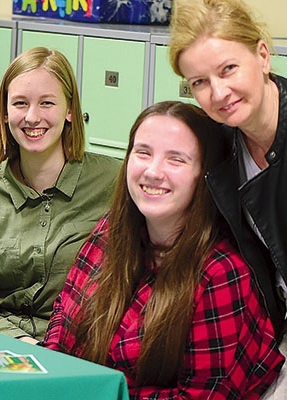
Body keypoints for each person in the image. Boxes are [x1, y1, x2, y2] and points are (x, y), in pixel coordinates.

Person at [43, 101, 284, 398]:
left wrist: (97, 392)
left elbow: (202, 396)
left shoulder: (222, 273)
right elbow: (63, 317)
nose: (153, 172)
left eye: (176, 160)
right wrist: (49, 376)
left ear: (204, 175)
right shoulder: (111, 231)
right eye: (143, 153)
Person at [0, 47, 121, 344]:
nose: (32, 117)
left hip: (81, 349)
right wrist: (27, 345)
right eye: (20, 103)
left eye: (47, 103)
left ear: (69, 110)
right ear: (4, 112)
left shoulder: (114, 182)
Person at [168, 0, 287, 396]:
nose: (218, 92)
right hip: (271, 329)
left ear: (263, 55)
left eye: (228, 69)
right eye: (199, 82)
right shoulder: (219, 144)